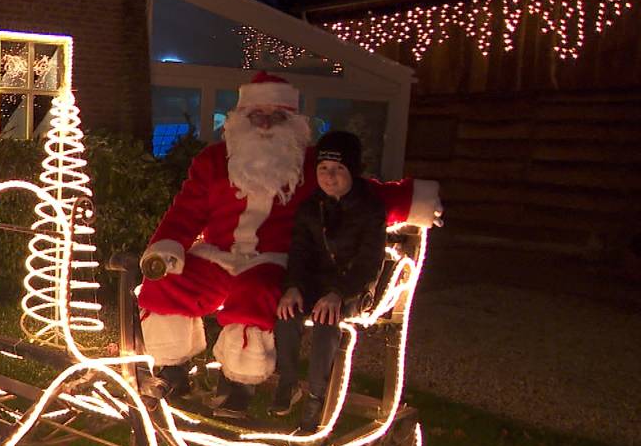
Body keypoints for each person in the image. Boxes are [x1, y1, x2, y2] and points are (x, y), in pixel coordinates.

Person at [137, 71, 439, 416]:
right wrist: (167, 248)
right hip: (217, 255)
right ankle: (173, 371)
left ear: (293, 122)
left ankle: (238, 385)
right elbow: (185, 212)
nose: (265, 125)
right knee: (165, 285)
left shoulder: (311, 165)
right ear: (239, 119)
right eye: (256, 116)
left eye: (276, 117)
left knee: (255, 295)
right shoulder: (213, 161)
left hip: (275, 260)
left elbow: (363, 194)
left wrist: (416, 199)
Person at [271, 131, 386, 432]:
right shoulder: (312, 207)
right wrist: (292, 286)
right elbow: (299, 251)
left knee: (326, 319)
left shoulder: (370, 209)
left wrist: (339, 293)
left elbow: (368, 263)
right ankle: (288, 381)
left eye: (338, 170)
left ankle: (315, 397)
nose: (330, 177)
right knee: (286, 311)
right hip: (315, 283)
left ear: (352, 170)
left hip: (350, 286)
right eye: (324, 169)